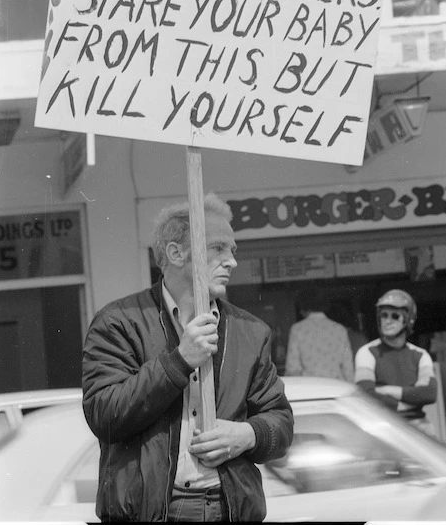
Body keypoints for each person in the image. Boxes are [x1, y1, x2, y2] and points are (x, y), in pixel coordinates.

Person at [82, 192, 293, 523]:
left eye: (232, 250)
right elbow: (104, 415)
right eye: (218, 248)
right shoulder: (118, 321)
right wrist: (179, 362)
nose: (232, 261)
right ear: (176, 253)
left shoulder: (250, 331)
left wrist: (247, 435)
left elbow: (280, 422)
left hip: (231, 508)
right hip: (152, 513)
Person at [354, 289, 437, 436]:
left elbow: (429, 393)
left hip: (418, 428)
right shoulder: (367, 352)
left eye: (395, 316)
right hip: (383, 429)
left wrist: (388, 390)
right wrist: (410, 400)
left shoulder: (420, 355)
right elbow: (366, 394)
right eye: (383, 315)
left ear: (408, 319)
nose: (387, 320)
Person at [285, 295, 354, 381]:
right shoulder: (340, 329)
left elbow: (292, 368)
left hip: (310, 388)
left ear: (304, 306)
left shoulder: (297, 329)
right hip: (337, 387)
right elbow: (348, 368)